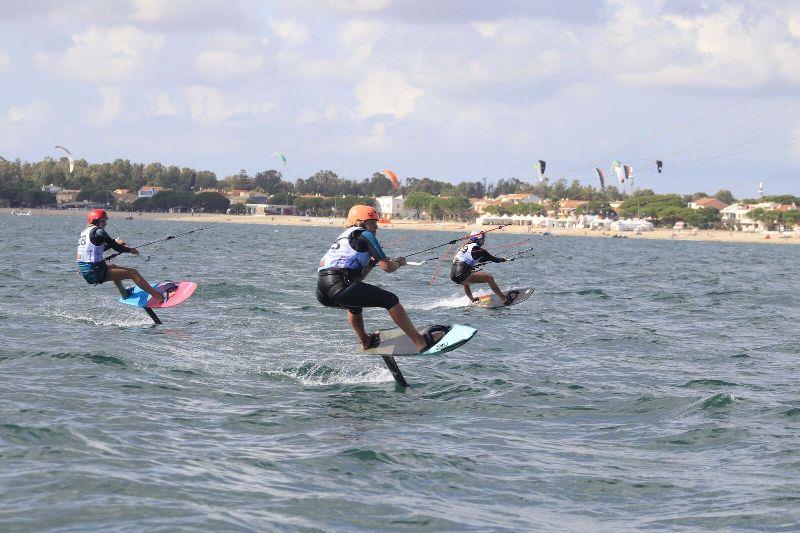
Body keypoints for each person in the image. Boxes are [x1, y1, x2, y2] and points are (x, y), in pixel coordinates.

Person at [317, 205, 442, 352]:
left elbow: (356, 280)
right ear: (360, 222)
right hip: (339, 285)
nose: (376, 227)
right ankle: (420, 342)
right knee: (391, 300)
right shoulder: (366, 234)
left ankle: (366, 341)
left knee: (355, 304)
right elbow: (387, 267)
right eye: (372, 222)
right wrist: (400, 263)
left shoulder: (345, 237)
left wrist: (370, 264)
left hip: (322, 291)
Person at [76, 209, 166, 303]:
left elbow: (99, 248)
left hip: (87, 271)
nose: (105, 223)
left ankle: (125, 294)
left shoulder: (85, 232)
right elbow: (116, 247)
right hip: (94, 271)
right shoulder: (99, 231)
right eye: (102, 221)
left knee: (114, 267)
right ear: (95, 220)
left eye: (105, 221)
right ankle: (159, 297)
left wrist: (116, 243)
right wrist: (131, 250)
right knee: (133, 273)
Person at [451, 230, 517, 305]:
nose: (484, 240)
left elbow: (476, 259)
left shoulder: (465, 246)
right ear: (477, 239)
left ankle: (472, 300)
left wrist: (474, 265)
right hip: (462, 272)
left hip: (453, 275)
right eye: (483, 238)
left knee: (465, 283)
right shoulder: (477, 249)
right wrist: (503, 259)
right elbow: (494, 259)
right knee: (489, 277)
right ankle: (504, 299)